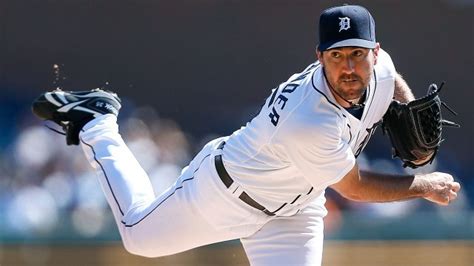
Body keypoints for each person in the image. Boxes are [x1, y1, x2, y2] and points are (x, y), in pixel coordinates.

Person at [32, 4, 461, 266]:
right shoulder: (309, 119)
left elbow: (391, 79)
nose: (348, 67)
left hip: (294, 211)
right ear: (319, 57)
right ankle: (98, 123)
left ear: (375, 52)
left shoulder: (380, 70)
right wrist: (424, 185)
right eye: (336, 57)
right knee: (138, 238)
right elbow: (355, 188)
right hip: (225, 194)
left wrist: (402, 107)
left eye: (357, 54)